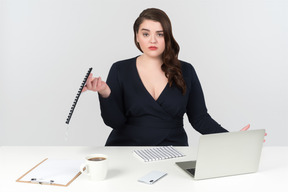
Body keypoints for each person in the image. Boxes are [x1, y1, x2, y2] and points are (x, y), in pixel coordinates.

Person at [82, 8, 252, 146]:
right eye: (146, 34)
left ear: (167, 37)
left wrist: (232, 140)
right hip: (125, 150)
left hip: (172, 150)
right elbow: (115, 122)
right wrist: (105, 93)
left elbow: (200, 118)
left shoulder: (186, 70)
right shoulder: (120, 69)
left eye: (160, 34)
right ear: (137, 37)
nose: (153, 40)